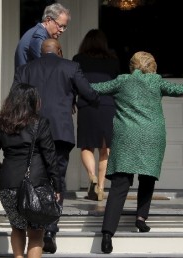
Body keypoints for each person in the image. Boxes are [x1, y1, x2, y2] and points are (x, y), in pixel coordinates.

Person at [91, 51, 183, 254]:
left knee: (120, 184)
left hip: (127, 136)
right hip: (151, 135)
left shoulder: (122, 81)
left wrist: (68, 84)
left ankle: (107, 234)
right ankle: (141, 218)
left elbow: (94, 88)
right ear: (152, 66)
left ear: (132, 65)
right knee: (147, 177)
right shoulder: (156, 82)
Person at [13, 38, 100, 254]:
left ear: (41, 52)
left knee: (31, 176)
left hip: (30, 131)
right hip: (60, 132)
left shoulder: (26, 69)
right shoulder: (70, 67)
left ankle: (32, 223)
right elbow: (89, 94)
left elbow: (15, 98)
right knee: (56, 178)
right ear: (59, 51)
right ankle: (50, 229)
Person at [0, 83, 61, 258]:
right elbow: (50, 157)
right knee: (36, 232)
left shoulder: (2, 124)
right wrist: (58, 186)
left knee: (17, 227)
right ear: (33, 101)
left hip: (8, 185)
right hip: (36, 185)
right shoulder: (40, 123)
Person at [72, 29, 120, 201]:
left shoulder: (78, 60)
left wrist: (72, 101)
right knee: (105, 149)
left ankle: (91, 177)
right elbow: (117, 84)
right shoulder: (113, 61)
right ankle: (100, 188)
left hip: (87, 106)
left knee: (87, 146)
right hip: (108, 106)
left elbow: (74, 83)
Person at [14, 3, 70, 69]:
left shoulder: (39, 33)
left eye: (64, 27)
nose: (62, 30)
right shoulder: (39, 35)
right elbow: (46, 64)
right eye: (60, 26)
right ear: (48, 20)